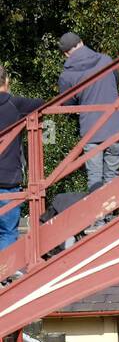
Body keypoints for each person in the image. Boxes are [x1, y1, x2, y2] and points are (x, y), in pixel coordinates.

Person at [57, 34, 119, 194]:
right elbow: (115, 83)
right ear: (82, 42)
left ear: (66, 53)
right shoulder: (106, 60)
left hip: (91, 129)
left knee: (95, 180)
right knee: (112, 177)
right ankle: (111, 217)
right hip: (115, 127)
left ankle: (99, 219)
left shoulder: (67, 75)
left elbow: (67, 105)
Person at [0, 64, 44, 250]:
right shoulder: (14, 104)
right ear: (7, 81)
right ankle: (5, 274)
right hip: (8, 179)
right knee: (8, 231)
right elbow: (43, 104)